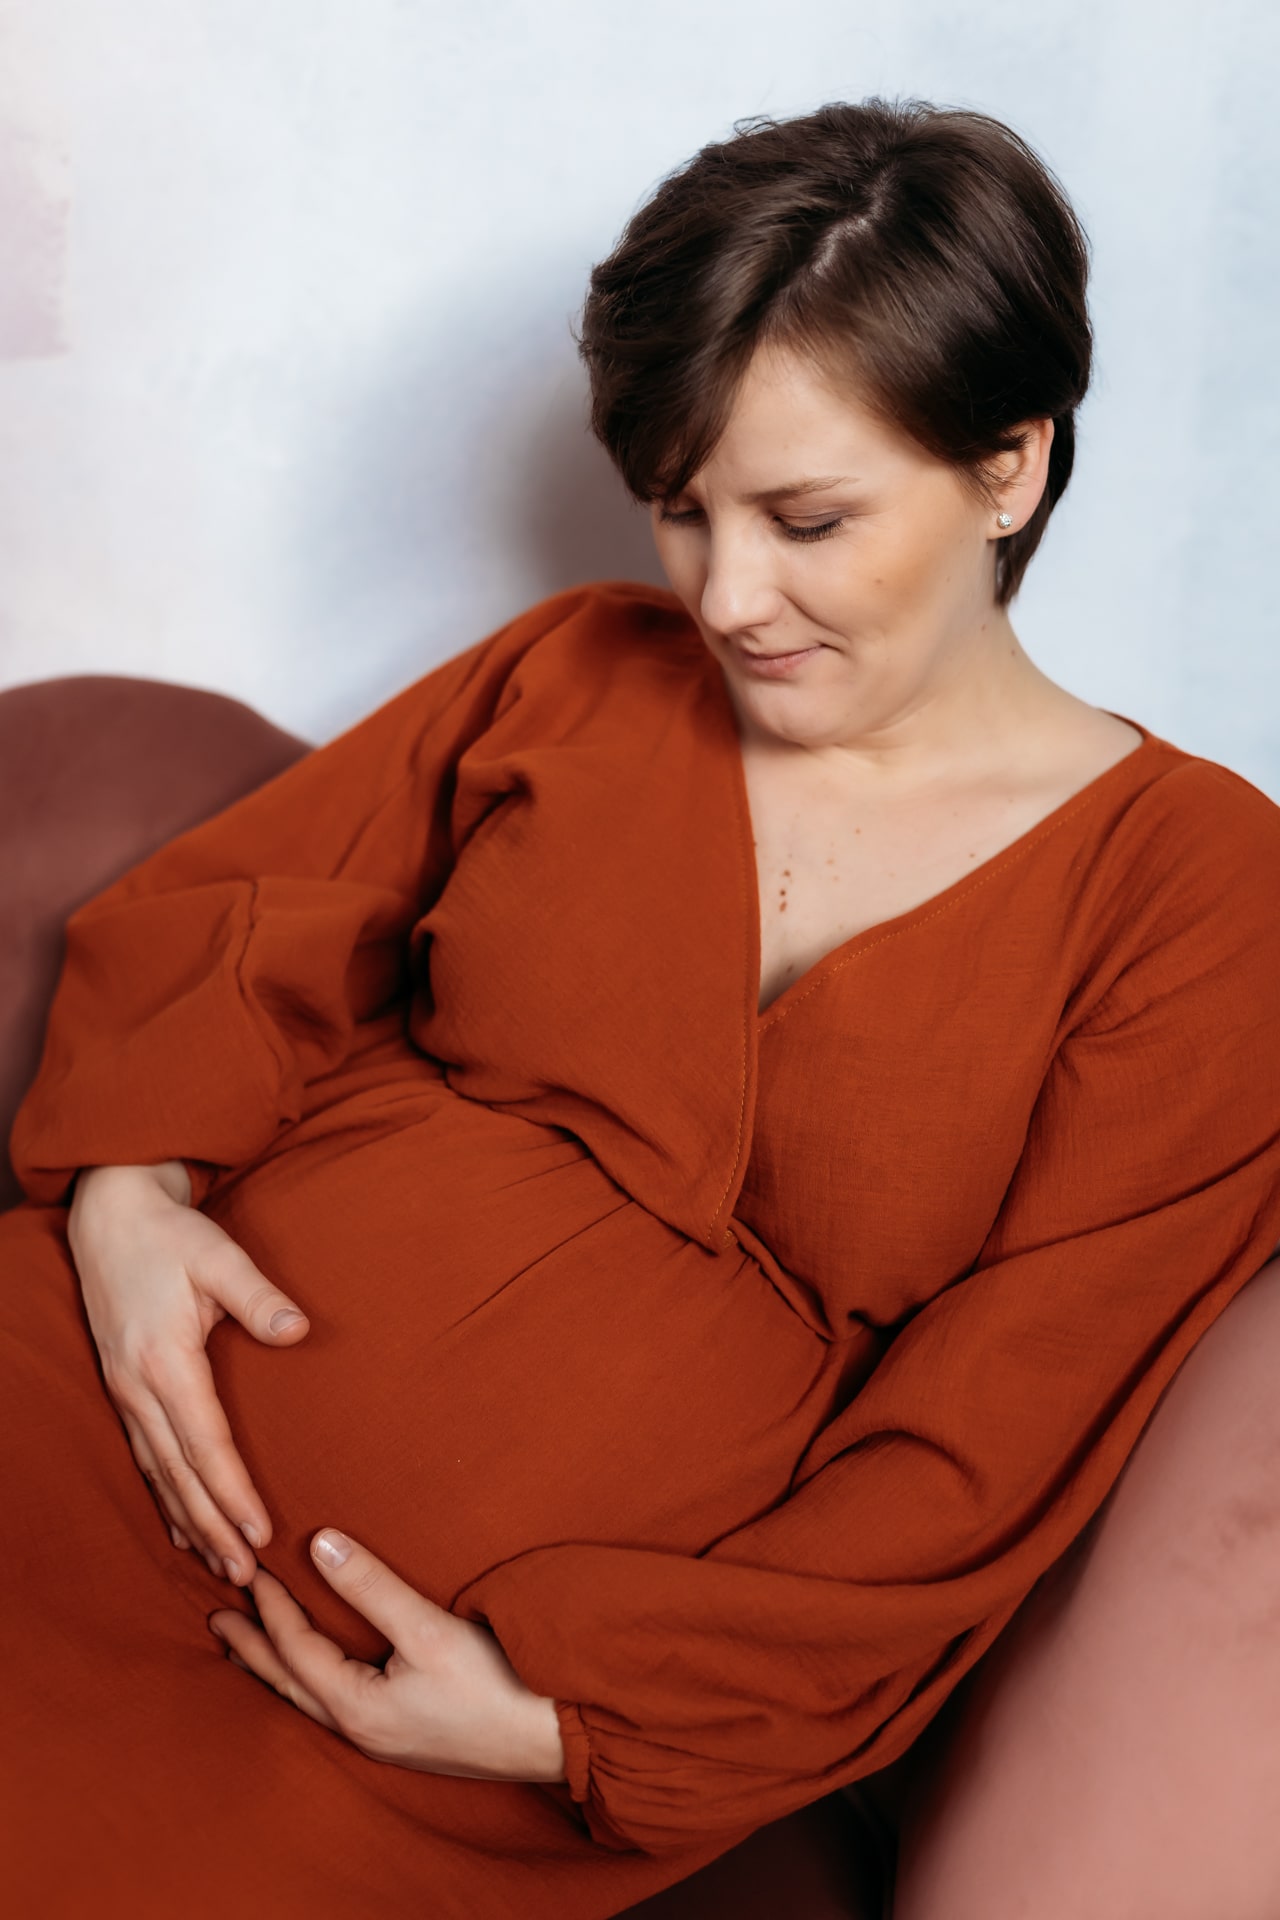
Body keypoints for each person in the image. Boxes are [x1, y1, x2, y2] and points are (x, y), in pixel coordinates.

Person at [5, 96, 1280, 1920]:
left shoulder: (1203, 895)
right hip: (90, 1404)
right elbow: (256, 905)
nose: (728, 597)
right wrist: (128, 1199)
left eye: (807, 519)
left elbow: (998, 1441)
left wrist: (561, 1727)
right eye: (682, 512)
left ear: (1009, 466)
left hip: (417, 1705)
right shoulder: (585, 672)